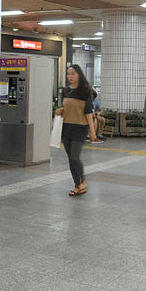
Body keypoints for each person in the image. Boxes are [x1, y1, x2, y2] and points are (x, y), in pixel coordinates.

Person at [55, 64, 96, 196]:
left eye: (73, 74)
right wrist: (61, 110)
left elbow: (88, 112)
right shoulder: (66, 90)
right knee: (70, 159)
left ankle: (83, 180)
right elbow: (66, 107)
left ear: (79, 74)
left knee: (74, 157)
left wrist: (92, 130)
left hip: (80, 128)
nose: (70, 76)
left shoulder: (85, 91)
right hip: (66, 128)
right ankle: (77, 185)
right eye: (68, 74)